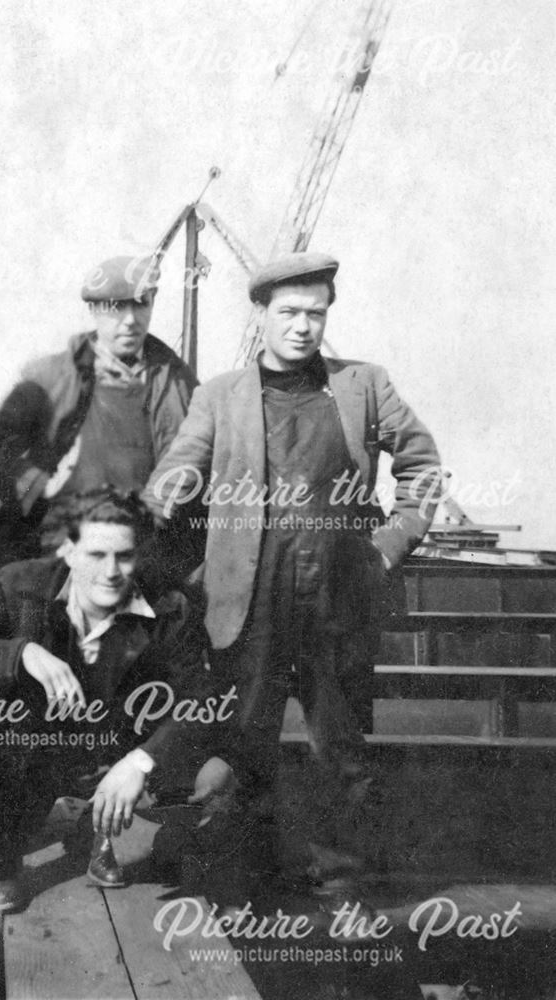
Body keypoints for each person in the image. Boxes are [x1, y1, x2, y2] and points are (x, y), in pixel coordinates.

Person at [142, 251, 442, 910]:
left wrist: (388, 544)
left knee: (342, 753)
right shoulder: (219, 395)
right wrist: (171, 495)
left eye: (315, 313)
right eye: (288, 313)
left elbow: (421, 465)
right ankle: (246, 884)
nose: (302, 326)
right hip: (248, 609)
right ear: (261, 315)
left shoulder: (363, 385)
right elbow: (174, 473)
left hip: (336, 599)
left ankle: (345, 883)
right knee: (242, 747)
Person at [0, 488, 227, 914]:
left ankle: (110, 833)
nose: (111, 572)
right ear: (68, 551)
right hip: (38, 759)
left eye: (124, 556)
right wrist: (21, 654)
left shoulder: (169, 606)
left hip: (120, 761)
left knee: (216, 779)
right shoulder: (21, 588)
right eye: (95, 555)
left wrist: (142, 761)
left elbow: (202, 700)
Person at [0, 254, 200, 588]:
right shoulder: (50, 377)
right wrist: (37, 486)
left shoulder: (179, 384)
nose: (131, 320)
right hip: (49, 556)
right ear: (93, 310)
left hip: (129, 561)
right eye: (116, 308)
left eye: (141, 305)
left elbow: (190, 471)